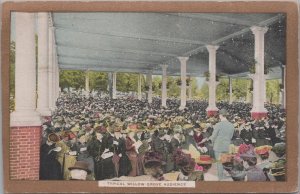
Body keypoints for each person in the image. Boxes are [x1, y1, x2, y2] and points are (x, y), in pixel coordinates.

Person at [209, 109, 235, 180]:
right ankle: (226, 175)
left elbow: (213, 136)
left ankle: (220, 178)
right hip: (226, 146)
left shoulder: (218, 125)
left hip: (218, 146)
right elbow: (231, 136)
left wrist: (211, 141)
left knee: (219, 162)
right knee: (225, 161)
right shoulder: (231, 125)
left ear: (220, 116)